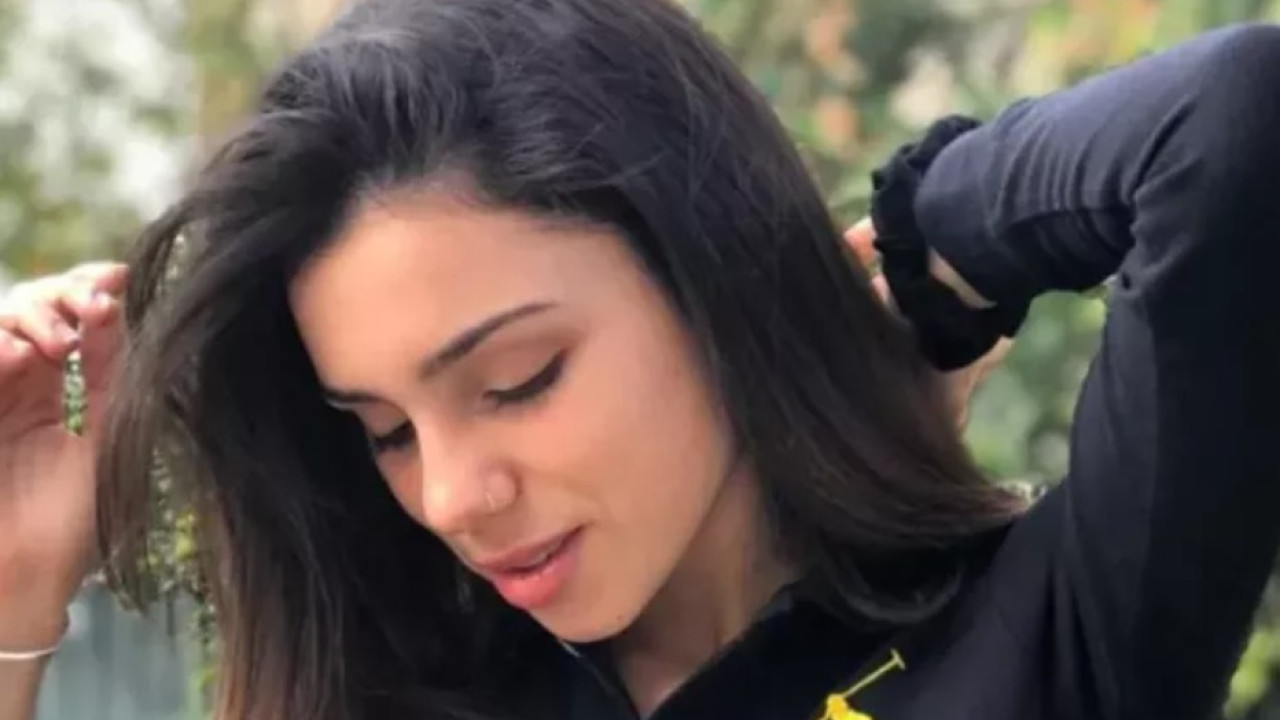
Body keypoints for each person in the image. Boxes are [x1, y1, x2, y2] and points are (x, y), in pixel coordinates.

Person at [1, 0, 1277, 717]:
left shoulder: (1049, 631)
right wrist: (12, 599)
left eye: (518, 381)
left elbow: (1226, 126)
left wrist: (925, 264)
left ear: (712, 277)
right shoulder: (413, 695)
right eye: (383, 430)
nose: (452, 496)